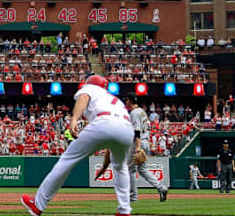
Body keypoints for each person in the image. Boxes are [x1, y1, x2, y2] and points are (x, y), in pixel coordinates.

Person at [21, 75, 134, 216]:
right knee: (120, 167)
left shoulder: (91, 88)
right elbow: (113, 135)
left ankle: (37, 205)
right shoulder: (115, 100)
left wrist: (74, 119)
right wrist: (106, 165)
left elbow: (83, 98)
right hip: (126, 128)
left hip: (103, 122)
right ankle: (124, 210)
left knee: (66, 161)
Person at [126, 96, 168, 202]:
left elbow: (137, 131)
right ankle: (161, 188)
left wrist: (138, 147)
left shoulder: (134, 113)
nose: (125, 102)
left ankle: (133, 197)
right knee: (142, 169)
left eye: (126, 100)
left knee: (131, 169)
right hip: (145, 141)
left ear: (130, 101)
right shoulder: (142, 111)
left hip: (138, 142)